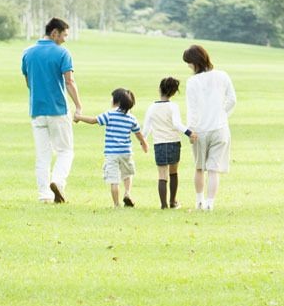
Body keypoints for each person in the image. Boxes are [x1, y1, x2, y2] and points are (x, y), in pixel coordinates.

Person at [21, 17, 82, 204]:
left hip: (37, 110)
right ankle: (57, 181)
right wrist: (78, 105)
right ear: (54, 33)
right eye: (63, 35)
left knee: (43, 155)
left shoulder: (28, 53)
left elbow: (28, 82)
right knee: (65, 151)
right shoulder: (62, 53)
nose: (65, 39)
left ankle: (44, 195)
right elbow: (69, 81)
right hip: (58, 109)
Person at [182, 44, 237, 211]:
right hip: (220, 129)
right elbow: (232, 100)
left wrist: (190, 130)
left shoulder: (192, 81)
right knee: (213, 169)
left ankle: (199, 201)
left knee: (199, 168)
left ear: (195, 62)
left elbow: (192, 109)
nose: (188, 66)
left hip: (199, 130)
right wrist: (221, 115)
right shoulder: (222, 75)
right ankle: (210, 204)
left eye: (189, 63)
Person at [74, 89, 148, 207]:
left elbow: (94, 120)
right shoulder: (131, 118)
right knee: (127, 174)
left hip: (111, 153)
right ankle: (127, 193)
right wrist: (144, 144)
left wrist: (79, 117)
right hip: (126, 153)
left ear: (116, 101)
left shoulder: (110, 114)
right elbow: (138, 134)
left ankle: (116, 204)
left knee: (114, 180)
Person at [141, 77, 196, 210]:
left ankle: (163, 205)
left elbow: (146, 128)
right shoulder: (173, 106)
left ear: (159, 89)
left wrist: (143, 141)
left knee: (162, 175)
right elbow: (177, 124)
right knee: (173, 173)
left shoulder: (152, 107)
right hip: (173, 143)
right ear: (173, 93)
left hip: (159, 144)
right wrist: (189, 133)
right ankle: (173, 201)